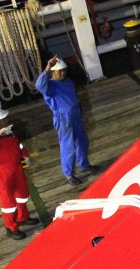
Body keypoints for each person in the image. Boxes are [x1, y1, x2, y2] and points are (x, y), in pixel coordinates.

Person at [36, 57, 100, 186]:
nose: (63, 73)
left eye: (64, 70)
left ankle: (83, 164)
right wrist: (47, 68)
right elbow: (39, 85)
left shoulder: (69, 82)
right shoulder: (50, 87)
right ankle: (69, 174)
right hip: (63, 119)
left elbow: (75, 99)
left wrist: (83, 113)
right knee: (68, 147)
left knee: (83, 141)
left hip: (76, 115)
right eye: (59, 71)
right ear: (53, 73)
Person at [0, 107, 39, 239]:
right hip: (2, 172)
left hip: (16, 168)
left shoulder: (9, 132)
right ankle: (11, 227)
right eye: (3, 119)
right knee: (8, 202)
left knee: (22, 194)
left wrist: (26, 155)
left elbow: (18, 145)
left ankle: (23, 217)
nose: (6, 120)